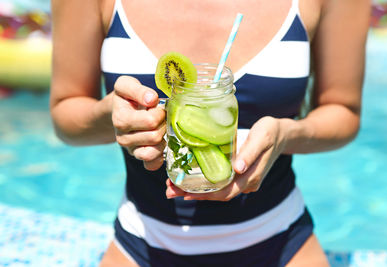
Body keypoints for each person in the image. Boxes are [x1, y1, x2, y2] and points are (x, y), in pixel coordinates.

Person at [50, 0, 370, 266]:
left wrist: (288, 134)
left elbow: (344, 111)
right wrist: (109, 116)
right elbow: (65, 114)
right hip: (142, 244)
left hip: (281, 242)